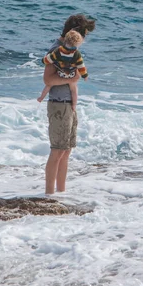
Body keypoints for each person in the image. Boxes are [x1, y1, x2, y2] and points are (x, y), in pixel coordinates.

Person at [43, 14, 95, 195]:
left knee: (66, 151)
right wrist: (73, 78)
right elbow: (47, 79)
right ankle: (49, 195)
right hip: (58, 104)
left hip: (67, 105)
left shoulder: (70, 50)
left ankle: (61, 194)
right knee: (57, 151)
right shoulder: (56, 49)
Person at [37, 29, 88, 112]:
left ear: (65, 40)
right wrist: (85, 75)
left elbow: (50, 58)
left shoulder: (59, 50)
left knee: (49, 85)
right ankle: (74, 105)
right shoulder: (77, 53)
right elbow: (81, 65)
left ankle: (41, 98)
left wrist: (43, 61)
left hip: (61, 73)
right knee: (73, 89)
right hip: (71, 74)